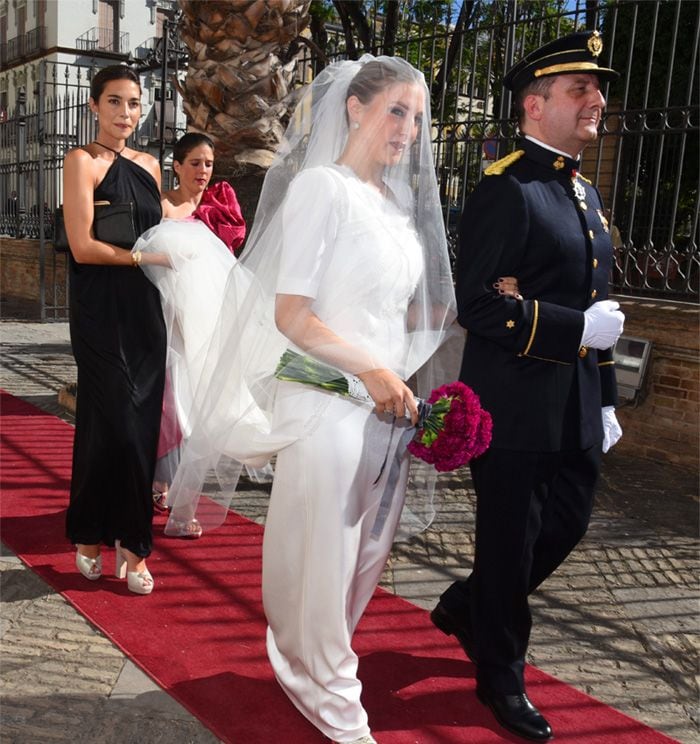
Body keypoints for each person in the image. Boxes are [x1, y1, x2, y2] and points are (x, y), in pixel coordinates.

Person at [147, 55, 456, 742]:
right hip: (328, 401)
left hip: (386, 410)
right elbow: (292, 315)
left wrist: (405, 379)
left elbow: (393, 309)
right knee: (327, 550)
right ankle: (335, 698)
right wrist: (368, 372)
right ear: (354, 107)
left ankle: (308, 660)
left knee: (365, 554)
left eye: (416, 116)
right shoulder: (324, 189)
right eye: (395, 111)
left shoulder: (397, 205)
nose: (407, 129)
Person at [430, 31, 625, 741]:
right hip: (512, 402)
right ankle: (501, 676)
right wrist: (573, 327)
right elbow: (479, 304)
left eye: (597, 89)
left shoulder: (581, 189)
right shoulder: (506, 188)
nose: (597, 99)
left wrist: (603, 400)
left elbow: (595, 301)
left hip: (573, 401)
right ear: (535, 105)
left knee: (566, 525)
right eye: (582, 89)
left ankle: (465, 605)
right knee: (511, 545)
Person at [63, 65, 168, 595]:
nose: (125, 113)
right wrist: (144, 256)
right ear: (93, 106)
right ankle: (98, 535)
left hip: (145, 310)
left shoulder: (150, 163)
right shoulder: (80, 161)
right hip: (101, 310)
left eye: (133, 103)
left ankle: (127, 546)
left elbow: (167, 222)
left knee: (134, 427)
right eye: (114, 102)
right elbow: (82, 246)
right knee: (118, 423)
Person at [150, 132, 246, 519]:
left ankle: (184, 499)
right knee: (174, 405)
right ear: (176, 166)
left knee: (204, 405)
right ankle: (162, 483)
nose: (203, 171)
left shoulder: (218, 205)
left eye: (208, 163)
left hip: (209, 321)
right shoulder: (163, 205)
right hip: (169, 321)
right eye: (195, 163)